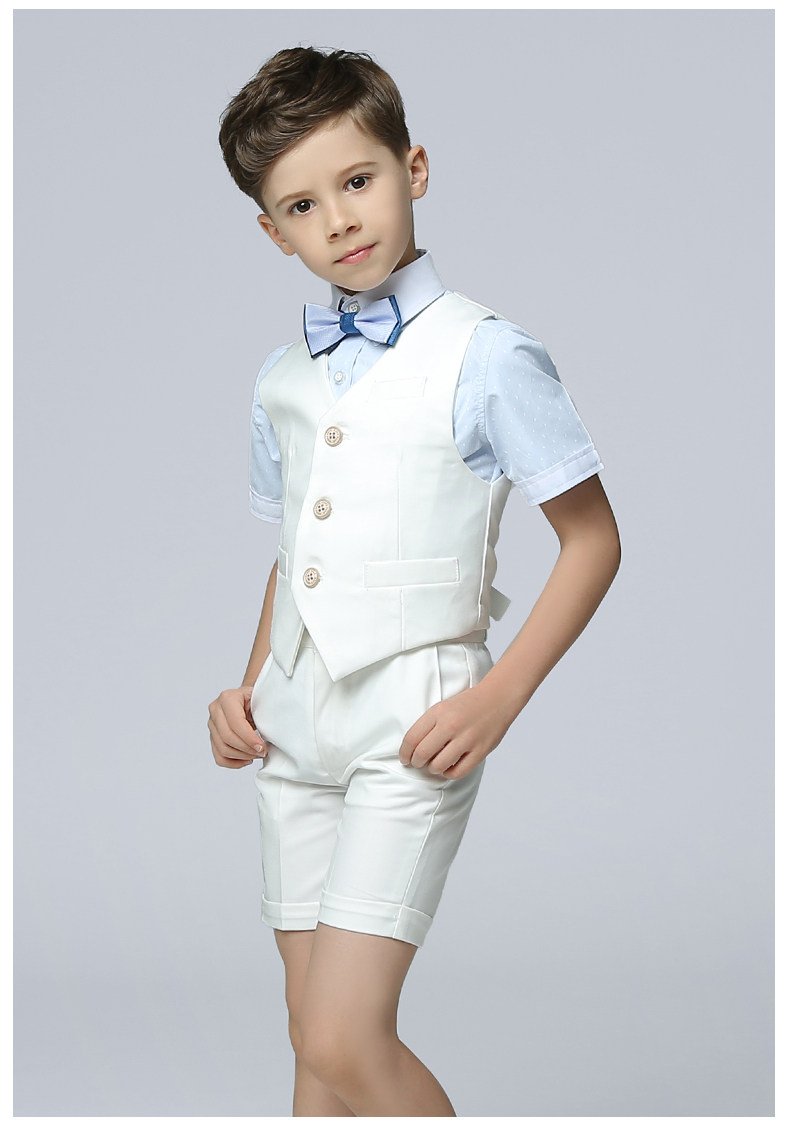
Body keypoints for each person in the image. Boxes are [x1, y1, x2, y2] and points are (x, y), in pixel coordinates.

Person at [208, 45, 621, 1118]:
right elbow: (295, 554)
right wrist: (246, 688)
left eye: (358, 180)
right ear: (273, 231)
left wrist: (497, 698)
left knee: (345, 1036)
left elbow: (592, 542)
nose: (339, 220)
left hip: (413, 721)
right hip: (293, 725)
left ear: (414, 168)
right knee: (309, 1039)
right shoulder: (281, 380)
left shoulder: (486, 355)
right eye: (302, 205)